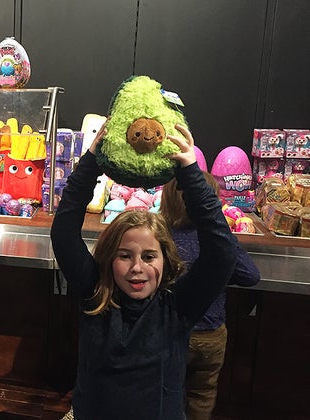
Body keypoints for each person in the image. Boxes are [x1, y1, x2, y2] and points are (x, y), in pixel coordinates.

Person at [51, 122, 238, 420]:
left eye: (149, 256)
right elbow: (63, 233)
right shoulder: (96, 294)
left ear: (166, 260)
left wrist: (191, 176)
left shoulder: (177, 307)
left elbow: (222, 253)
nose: (137, 268)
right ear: (109, 258)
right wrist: (91, 163)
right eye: (125, 255)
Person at [160, 171, 260, 420]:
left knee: (167, 389)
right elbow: (250, 275)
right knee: (202, 393)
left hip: (169, 332)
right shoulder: (219, 240)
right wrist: (218, 274)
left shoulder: (159, 235)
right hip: (211, 334)